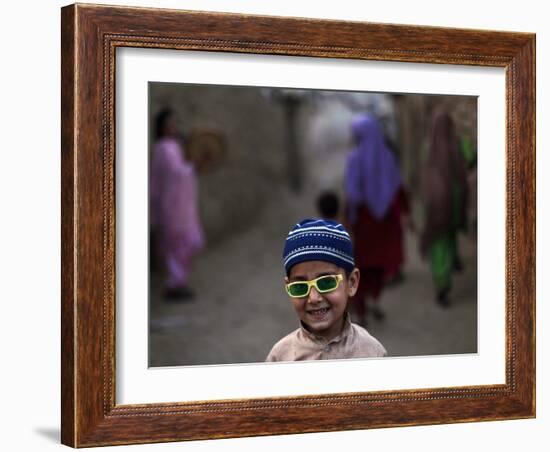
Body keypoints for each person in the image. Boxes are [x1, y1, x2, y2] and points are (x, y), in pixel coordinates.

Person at [265, 218, 387, 362]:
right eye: (300, 286)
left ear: (352, 282)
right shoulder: (280, 357)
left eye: (327, 282)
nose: (314, 298)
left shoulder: (372, 353)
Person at [344, 113, 411, 326]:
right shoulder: (388, 156)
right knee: (379, 263)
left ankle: (361, 311)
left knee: (362, 264)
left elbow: (353, 194)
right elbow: (397, 186)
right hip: (386, 220)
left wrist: (349, 217)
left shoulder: (354, 158)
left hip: (364, 220)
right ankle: (375, 301)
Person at [150, 108, 205, 301]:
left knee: (189, 243)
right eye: (170, 123)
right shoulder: (164, 147)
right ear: (162, 126)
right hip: (172, 208)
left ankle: (178, 282)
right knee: (177, 246)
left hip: (182, 208)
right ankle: (174, 285)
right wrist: (193, 166)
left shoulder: (173, 146)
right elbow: (176, 174)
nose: (173, 126)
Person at [420, 110, 468, 307]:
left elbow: (426, 172)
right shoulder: (457, 144)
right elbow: (471, 158)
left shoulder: (427, 147)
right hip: (454, 203)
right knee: (448, 238)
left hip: (434, 203)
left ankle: (442, 285)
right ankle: (450, 269)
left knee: (439, 245)